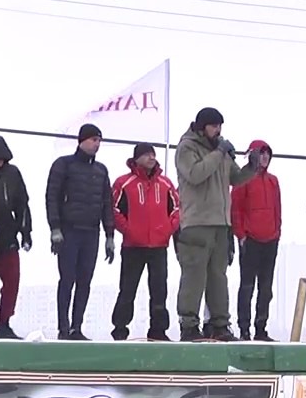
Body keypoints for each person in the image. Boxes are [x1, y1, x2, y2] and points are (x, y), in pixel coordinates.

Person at [174, 107, 260, 341]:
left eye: (220, 126)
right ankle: (189, 324)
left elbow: (235, 178)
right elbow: (195, 174)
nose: (218, 130)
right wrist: (219, 152)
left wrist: (252, 167)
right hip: (196, 222)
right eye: (214, 126)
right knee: (194, 275)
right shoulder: (187, 147)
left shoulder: (219, 150)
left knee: (218, 276)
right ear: (202, 127)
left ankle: (219, 324)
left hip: (221, 223)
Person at [46, 123, 115, 340]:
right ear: (82, 140)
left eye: (99, 141)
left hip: (91, 232)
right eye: (94, 139)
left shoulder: (101, 170)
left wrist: (110, 235)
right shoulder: (63, 165)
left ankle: (77, 327)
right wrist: (55, 228)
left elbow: (107, 203)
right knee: (67, 279)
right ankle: (63, 328)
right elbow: (52, 197)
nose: (97, 144)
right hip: (69, 230)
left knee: (85, 280)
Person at [110, 143, 180, 341]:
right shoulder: (124, 183)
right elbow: (114, 210)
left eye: (153, 154)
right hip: (133, 246)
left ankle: (158, 330)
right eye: (147, 154)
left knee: (159, 290)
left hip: (159, 246)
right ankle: (120, 329)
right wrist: (129, 230)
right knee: (127, 289)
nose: (151, 158)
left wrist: (167, 229)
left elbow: (177, 208)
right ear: (137, 158)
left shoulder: (165, 183)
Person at [0, 135, 32, 340]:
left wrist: (26, 232)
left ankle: (4, 324)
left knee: (12, 283)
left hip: (9, 237)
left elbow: (22, 204)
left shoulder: (13, 173)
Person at [231, 139, 282, 341]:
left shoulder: (273, 181)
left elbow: (278, 209)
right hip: (250, 240)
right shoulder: (243, 179)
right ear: (252, 154)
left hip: (270, 240)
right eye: (261, 153)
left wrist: (277, 232)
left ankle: (261, 328)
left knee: (266, 287)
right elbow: (236, 209)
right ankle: (244, 329)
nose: (265, 157)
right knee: (247, 286)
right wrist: (241, 235)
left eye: (267, 154)